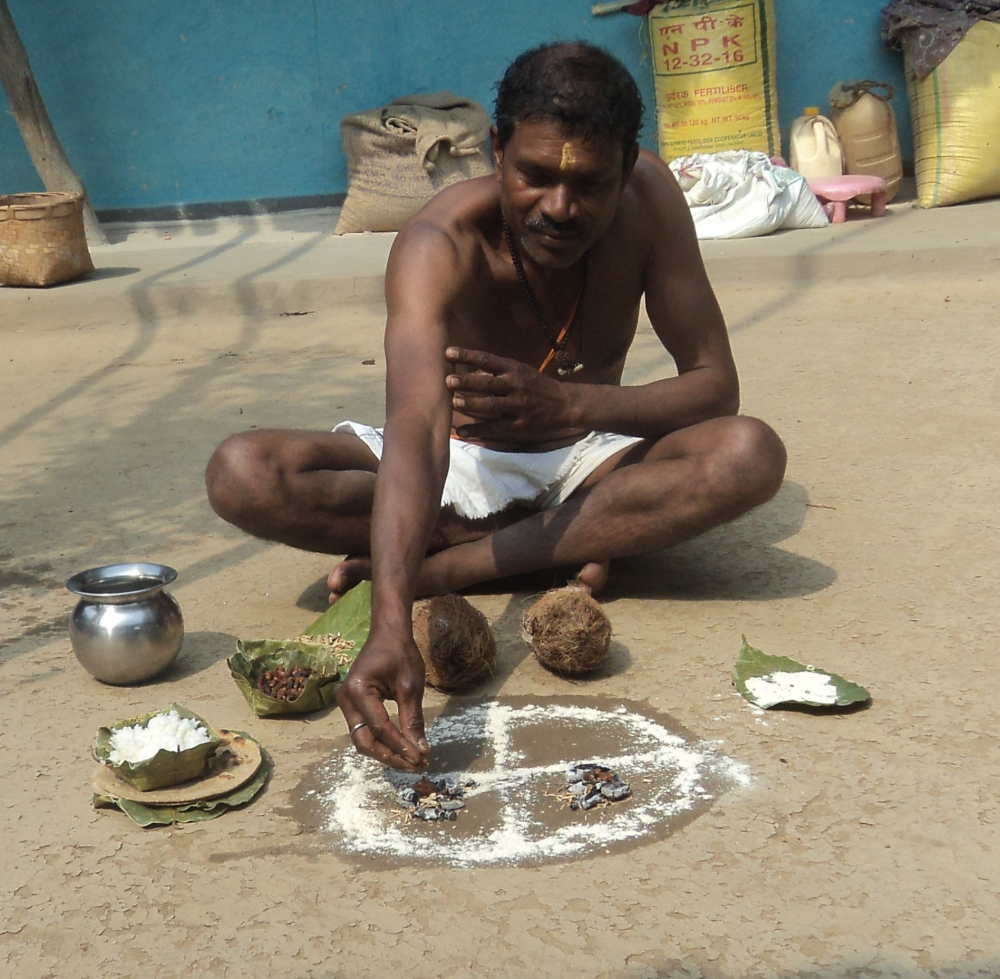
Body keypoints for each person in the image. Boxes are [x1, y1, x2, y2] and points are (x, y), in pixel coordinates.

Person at [205, 41, 786, 773]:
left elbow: (713, 385)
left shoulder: (653, 200)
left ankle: (454, 563)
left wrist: (568, 405)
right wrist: (391, 624)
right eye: (535, 176)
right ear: (496, 150)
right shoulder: (437, 241)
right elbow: (418, 429)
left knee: (748, 453)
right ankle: (553, 542)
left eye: (591, 186)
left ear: (627, 164)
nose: (560, 207)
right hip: (459, 465)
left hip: (586, 457)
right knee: (244, 472)